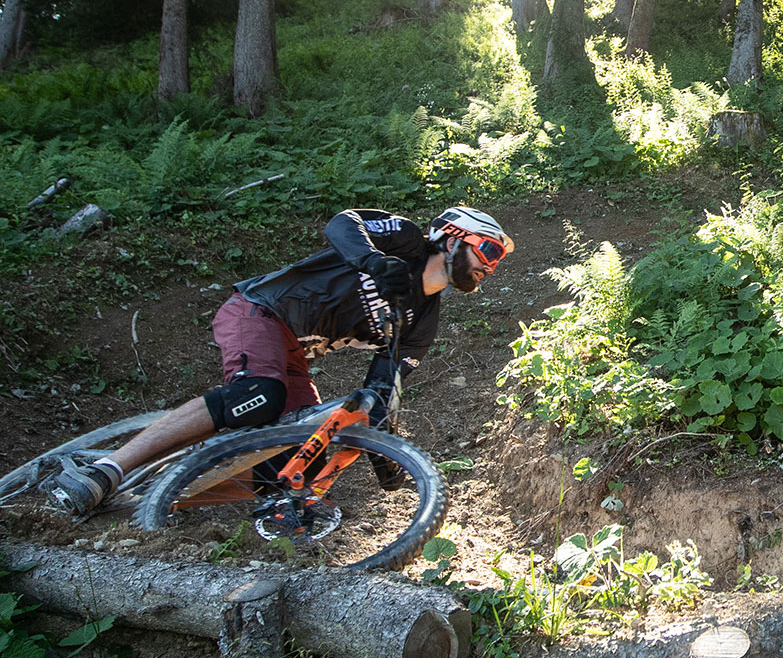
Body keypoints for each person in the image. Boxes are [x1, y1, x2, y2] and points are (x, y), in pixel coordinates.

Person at [41, 204, 513, 516]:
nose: (489, 266)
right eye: (488, 250)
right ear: (452, 237)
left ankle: (152, 499)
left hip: (295, 354)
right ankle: (108, 469)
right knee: (259, 396)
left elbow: (382, 389)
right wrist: (372, 262)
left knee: (292, 464)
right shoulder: (406, 240)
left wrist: (385, 450)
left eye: (497, 260)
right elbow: (342, 224)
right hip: (262, 310)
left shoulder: (423, 322)